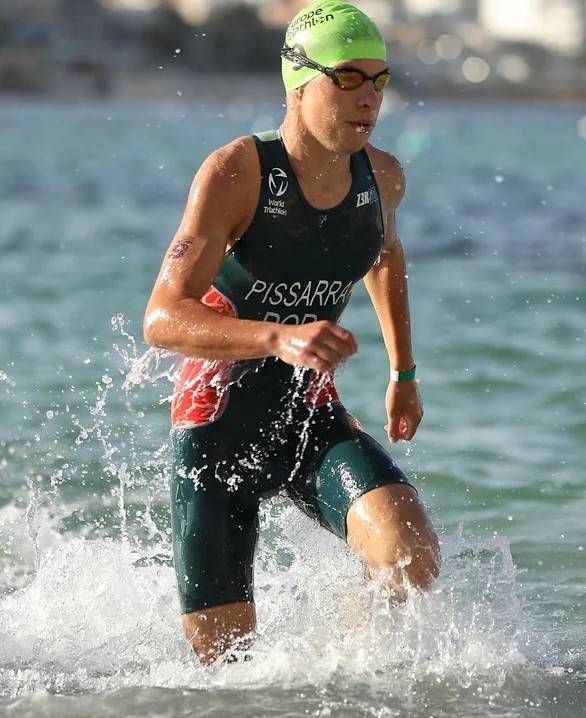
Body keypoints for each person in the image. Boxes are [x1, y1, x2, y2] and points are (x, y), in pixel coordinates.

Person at [144, 0, 440, 665]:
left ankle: (343, 679)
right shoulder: (237, 172)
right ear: (297, 82)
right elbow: (162, 318)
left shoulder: (382, 177)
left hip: (308, 414)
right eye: (348, 78)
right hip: (216, 434)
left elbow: (383, 254)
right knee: (227, 672)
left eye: (379, 80)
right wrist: (278, 337)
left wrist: (403, 375)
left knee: (409, 557)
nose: (369, 98)